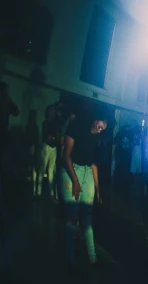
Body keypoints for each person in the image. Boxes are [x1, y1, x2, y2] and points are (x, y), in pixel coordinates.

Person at [62, 114, 108, 268]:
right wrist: (75, 182)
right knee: (73, 217)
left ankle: (92, 257)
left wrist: (98, 190)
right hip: (71, 168)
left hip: (87, 171)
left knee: (87, 217)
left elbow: (93, 165)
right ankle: (69, 257)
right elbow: (66, 156)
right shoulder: (76, 127)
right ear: (95, 119)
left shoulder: (97, 138)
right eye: (100, 126)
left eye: (103, 130)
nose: (100, 130)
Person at [36, 105, 62, 199]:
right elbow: (48, 138)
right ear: (48, 112)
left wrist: (55, 137)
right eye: (51, 110)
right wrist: (55, 137)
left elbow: (55, 137)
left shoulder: (55, 123)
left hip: (53, 147)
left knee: (51, 171)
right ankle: (38, 193)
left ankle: (51, 194)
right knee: (42, 170)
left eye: (54, 110)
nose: (53, 112)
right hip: (46, 146)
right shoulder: (45, 123)